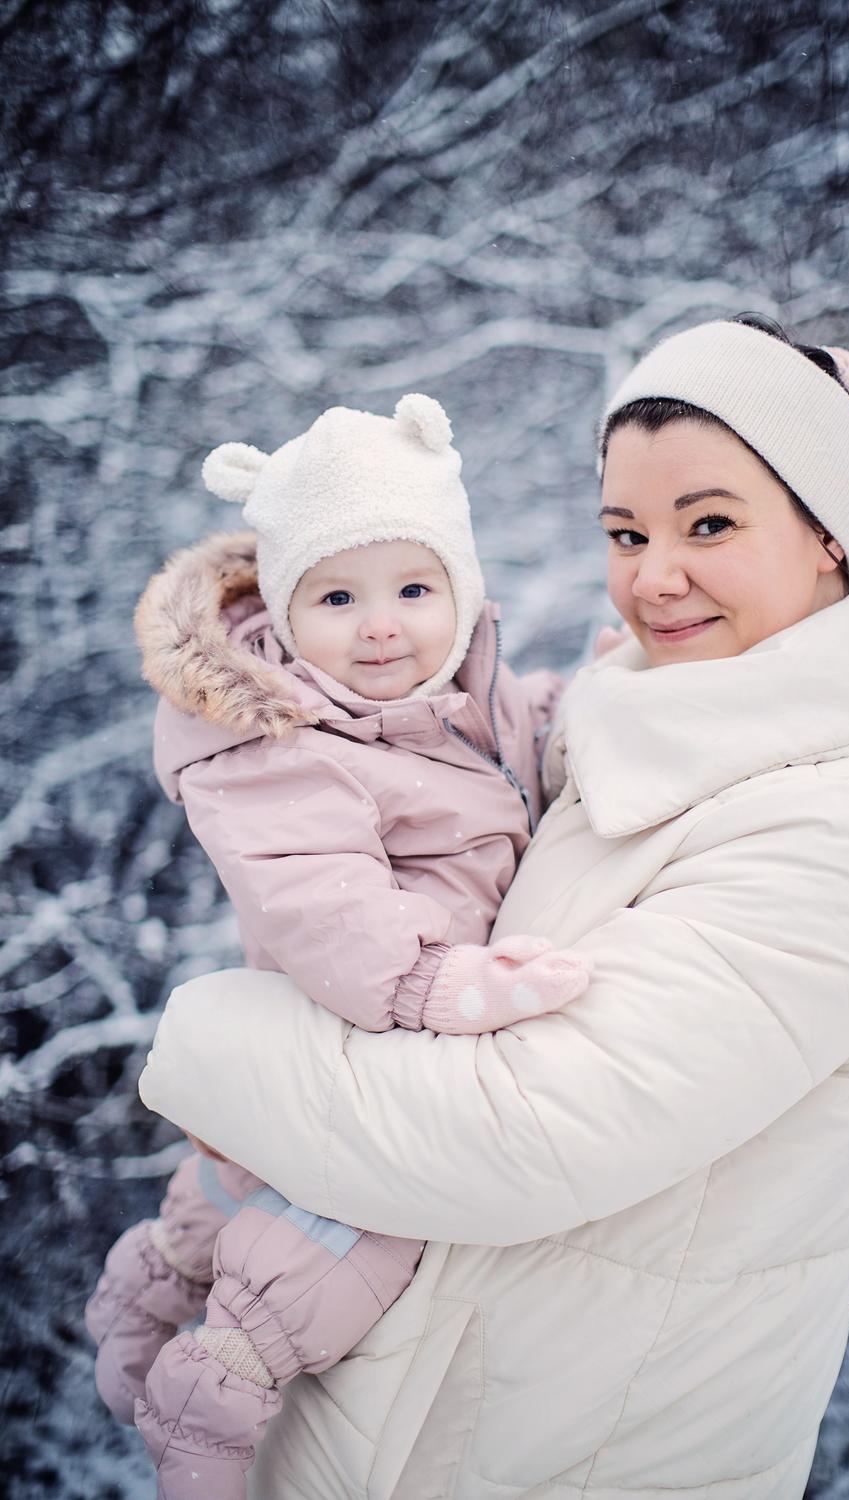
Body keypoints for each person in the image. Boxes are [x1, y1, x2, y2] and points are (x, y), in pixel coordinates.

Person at [136, 316, 849, 1500]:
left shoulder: (843, 826)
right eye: (626, 532)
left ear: (826, 536)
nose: (653, 575)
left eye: (708, 524)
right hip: (424, 1413)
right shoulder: (648, 715)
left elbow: (511, 1133)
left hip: (569, 1459)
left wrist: (204, 1043)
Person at [86, 392, 591, 1498]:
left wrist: (586, 702)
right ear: (282, 608)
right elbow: (318, 902)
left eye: (414, 589)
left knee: (247, 1185)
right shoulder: (277, 741)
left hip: (381, 1024)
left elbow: (520, 733)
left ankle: (153, 1282)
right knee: (361, 1225)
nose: (381, 627)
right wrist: (431, 981)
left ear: (459, 591)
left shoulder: (463, 690)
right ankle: (213, 1393)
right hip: (357, 1018)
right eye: (337, 597)